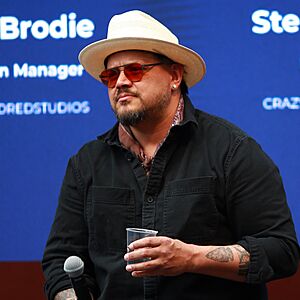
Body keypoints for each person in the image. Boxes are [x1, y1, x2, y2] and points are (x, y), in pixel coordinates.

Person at [42, 10, 299, 300]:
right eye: (111, 75)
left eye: (135, 70)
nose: (121, 82)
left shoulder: (232, 150)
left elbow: (281, 251)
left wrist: (190, 258)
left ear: (175, 75)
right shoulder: (86, 163)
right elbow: (60, 262)